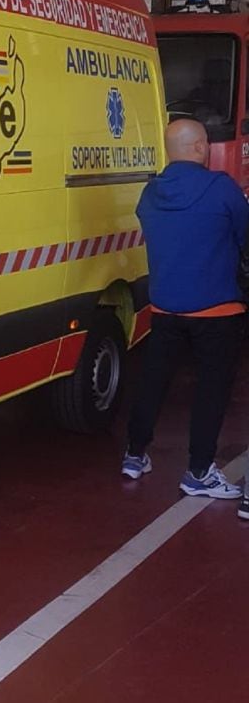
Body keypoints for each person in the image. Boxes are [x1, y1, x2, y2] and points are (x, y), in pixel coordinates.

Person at [122, 118, 248, 500]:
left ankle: (133, 454)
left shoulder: (150, 193)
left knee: (153, 381)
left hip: (164, 307)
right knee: (211, 389)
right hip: (217, 310)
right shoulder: (221, 188)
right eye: (206, 144)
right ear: (198, 148)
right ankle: (198, 471)